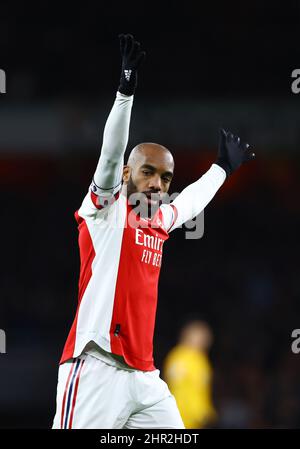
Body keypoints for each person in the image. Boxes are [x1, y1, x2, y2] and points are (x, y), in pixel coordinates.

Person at [52, 34, 255, 429]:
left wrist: (222, 169)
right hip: (95, 368)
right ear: (127, 174)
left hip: (144, 378)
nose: (158, 184)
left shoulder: (158, 222)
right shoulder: (103, 211)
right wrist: (125, 91)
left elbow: (191, 201)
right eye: (148, 172)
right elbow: (110, 155)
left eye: (166, 178)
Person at [163, 320, 217, 429]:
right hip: (182, 417)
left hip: (195, 419)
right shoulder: (180, 357)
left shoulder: (200, 359)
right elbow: (177, 387)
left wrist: (205, 411)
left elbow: (201, 390)